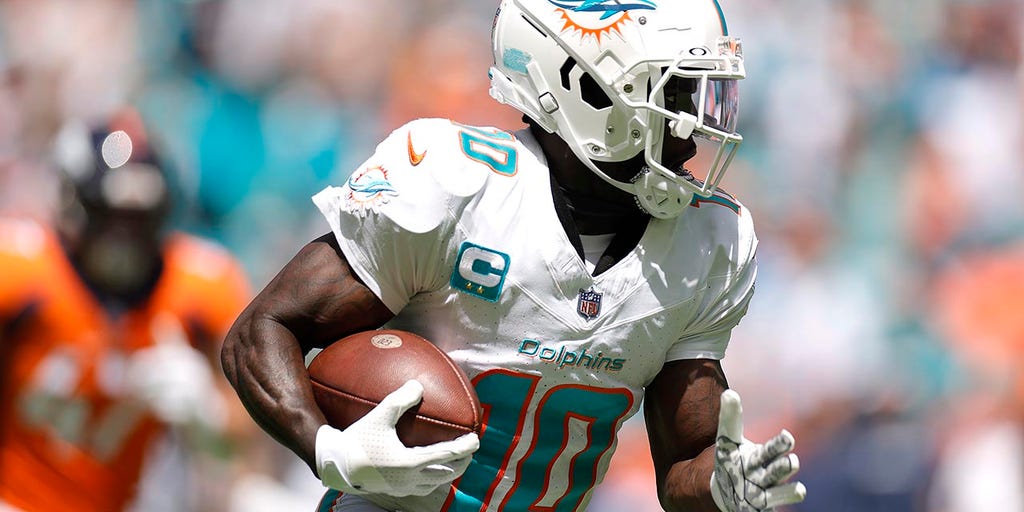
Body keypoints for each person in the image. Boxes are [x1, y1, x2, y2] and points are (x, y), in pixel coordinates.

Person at [221, 1, 807, 511]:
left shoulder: (710, 243)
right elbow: (263, 329)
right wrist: (329, 449)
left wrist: (725, 487)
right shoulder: (460, 186)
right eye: (674, 97)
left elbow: (686, 464)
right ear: (588, 90)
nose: (694, 131)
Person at [0, 109, 252, 512]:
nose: (125, 237)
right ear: (74, 205)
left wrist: (208, 412)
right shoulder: (21, 270)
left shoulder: (201, 285)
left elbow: (246, 440)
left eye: (139, 219)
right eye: (108, 214)